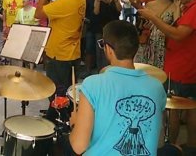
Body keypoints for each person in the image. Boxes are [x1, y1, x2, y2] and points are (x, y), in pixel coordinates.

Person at [69, 20, 166, 155]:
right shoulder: (156, 87)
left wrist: (75, 124)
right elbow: (159, 141)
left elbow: (79, 146)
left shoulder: (93, 84)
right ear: (136, 48)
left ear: (108, 49)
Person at [138, 0, 196, 155]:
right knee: (190, 107)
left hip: (181, 68)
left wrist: (154, 18)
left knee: (173, 110)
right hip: (185, 66)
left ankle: (171, 147)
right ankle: (190, 146)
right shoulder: (189, 7)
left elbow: (178, 34)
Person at [35, 0, 86, 122]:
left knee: (57, 90)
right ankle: (56, 114)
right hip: (71, 51)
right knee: (66, 89)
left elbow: (38, 14)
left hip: (60, 53)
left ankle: (59, 120)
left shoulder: (67, 1)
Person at [134, 0, 180, 69]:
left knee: (159, 68)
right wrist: (144, 25)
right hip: (148, 39)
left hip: (163, 41)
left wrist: (177, 6)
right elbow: (142, 23)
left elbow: (176, 23)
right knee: (145, 67)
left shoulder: (174, 6)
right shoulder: (150, 4)